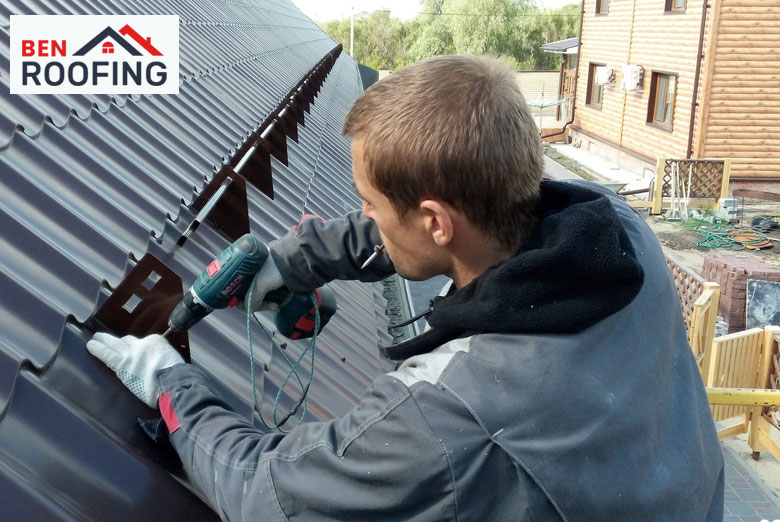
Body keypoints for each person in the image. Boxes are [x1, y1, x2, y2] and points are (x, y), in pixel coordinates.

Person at [87, 54, 724, 521]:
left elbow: (265, 493)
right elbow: (416, 234)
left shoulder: (451, 414)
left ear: (436, 222)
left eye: (369, 203)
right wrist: (300, 258)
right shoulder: (617, 233)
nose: (365, 216)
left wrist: (172, 386)